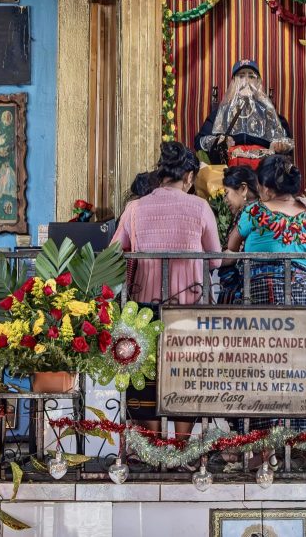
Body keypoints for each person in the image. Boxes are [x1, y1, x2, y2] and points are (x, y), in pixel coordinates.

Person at [112, 142, 221, 443]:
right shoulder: (200, 207)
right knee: (185, 373)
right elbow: (215, 259)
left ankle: (152, 446)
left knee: (144, 374)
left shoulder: (135, 208)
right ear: (188, 176)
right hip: (189, 306)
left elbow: (114, 254)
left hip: (143, 306)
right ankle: (180, 446)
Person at [227, 155, 306, 465]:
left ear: (266, 187)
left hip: (262, 288)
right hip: (302, 289)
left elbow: (231, 248)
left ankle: (262, 448)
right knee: (304, 365)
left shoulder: (255, 211)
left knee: (261, 365)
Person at [195, 60, 293, 170]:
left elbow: (287, 142)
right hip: (228, 172)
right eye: (241, 76)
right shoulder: (220, 114)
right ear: (233, 82)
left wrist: (280, 145)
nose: (246, 81)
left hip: (263, 174)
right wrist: (216, 141)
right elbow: (199, 141)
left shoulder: (269, 114)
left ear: (258, 82)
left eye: (251, 77)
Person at [216, 165, 259, 304]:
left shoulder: (247, 211)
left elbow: (234, 254)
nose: (225, 199)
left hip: (238, 288)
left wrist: (209, 259)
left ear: (243, 189)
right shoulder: (260, 209)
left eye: (227, 193)